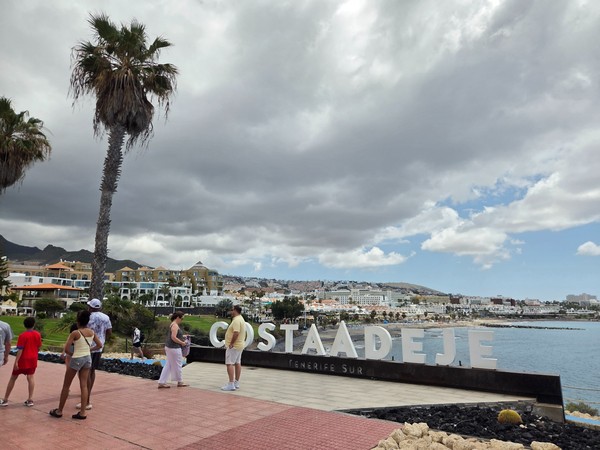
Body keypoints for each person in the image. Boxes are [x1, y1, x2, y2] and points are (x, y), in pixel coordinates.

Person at [49, 310, 101, 420]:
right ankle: (82, 412)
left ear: (78, 320)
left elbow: (67, 349)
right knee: (84, 385)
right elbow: (99, 345)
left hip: (77, 358)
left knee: (66, 385)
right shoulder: (91, 332)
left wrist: (74, 354)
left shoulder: (75, 333)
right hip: (87, 358)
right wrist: (89, 349)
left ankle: (59, 411)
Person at [0, 317, 42, 407]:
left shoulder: (22, 336)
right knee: (30, 377)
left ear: (24, 325)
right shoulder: (38, 334)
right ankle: (30, 399)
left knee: (13, 378)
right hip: (33, 359)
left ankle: (5, 399)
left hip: (23, 360)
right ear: (34, 324)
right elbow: (38, 347)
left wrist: (16, 362)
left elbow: (20, 350)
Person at [80, 298, 112, 410]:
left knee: (85, 372)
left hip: (87, 346)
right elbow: (109, 331)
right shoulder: (106, 317)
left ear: (91, 307)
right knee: (92, 371)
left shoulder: (88, 316)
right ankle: (87, 397)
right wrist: (102, 340)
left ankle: (86, 400)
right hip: (99, 347)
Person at [157, 311, 189, 388]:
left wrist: (182, 337)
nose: (182, 320)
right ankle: (180, 381)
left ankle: (162, 382)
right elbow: (173, 337)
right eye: (182, 318)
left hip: (169, 347)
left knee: (168, 365)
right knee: (178, 364)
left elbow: (174, 336)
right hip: (174, 348)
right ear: (178, 317)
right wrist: (182, 342)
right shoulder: (175, 325)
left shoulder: (172, 325)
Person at [221, 305, 246, 391]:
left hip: (234, 346)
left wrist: (231, 343)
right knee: (237, 363)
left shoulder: (236, 320)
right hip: (239, 345)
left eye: (232, 310)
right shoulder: (241, 319)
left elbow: (236, 333)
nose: (231, 312)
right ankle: (236, 382)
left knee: (229, 363)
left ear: (235, 310)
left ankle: (231, 383)